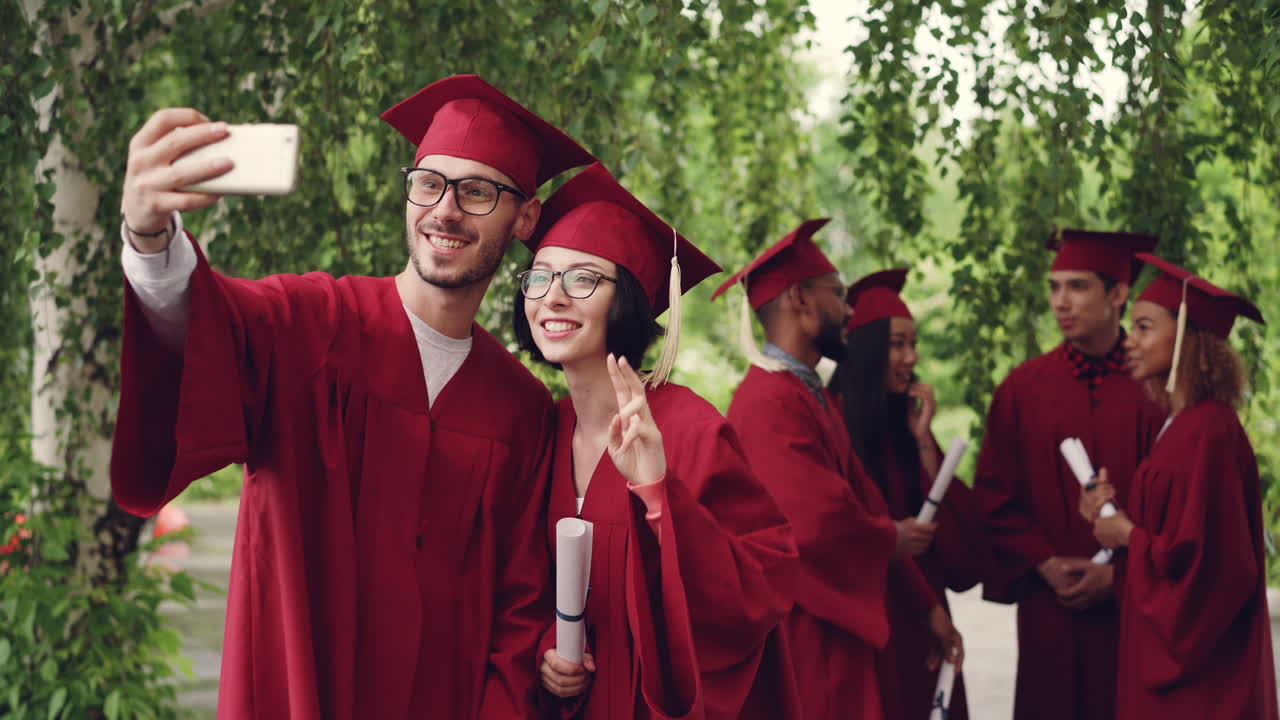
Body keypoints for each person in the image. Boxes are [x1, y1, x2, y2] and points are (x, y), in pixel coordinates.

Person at [110, 75, 595, 719]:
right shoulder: (310, 326)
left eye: (478, 192)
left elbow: (520, 606)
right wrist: (150, 239)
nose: (445, 210)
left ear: (525, 218)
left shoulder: (523, 410)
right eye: (429, 183)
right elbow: (207, 323)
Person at [515, 162, 799, 720]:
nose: (553, 297)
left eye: (582, 279)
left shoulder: (691, 428)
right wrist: (544, 651)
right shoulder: (543, 428)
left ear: (630, 302)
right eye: (541, 276)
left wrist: (657, 493)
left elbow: (760, 584)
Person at [716, 220, 962, 720]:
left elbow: (862, 504)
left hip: (830, 631)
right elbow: (817, 520)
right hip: (805, 637)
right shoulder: (766, 401)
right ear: (800, 301)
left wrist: (926, 604)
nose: (849, 309)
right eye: (838, 294)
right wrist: (890, 537)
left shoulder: (811, 396)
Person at [971, 229, 1166, 720]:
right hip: (1049, 610)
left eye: (1077, 287)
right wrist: (1043, 563)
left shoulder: (1159, 392)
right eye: (1055, 287)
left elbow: (1179, 510)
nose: (1061, 302)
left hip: (1134, 612)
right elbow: (994, 499)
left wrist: (1117, 574)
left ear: (1118, 294)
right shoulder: (1022, 390)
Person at [1079, 253, 1276, 720]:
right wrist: (1109, 519)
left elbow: (1213, 569)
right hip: (1175, 663)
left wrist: (1127, 535)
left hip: (1204, 683)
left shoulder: (1209, 433)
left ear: (1189, 340)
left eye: (1145, 327)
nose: (1130, 340)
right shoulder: (1184, 426)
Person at [830, 268, 988, 720]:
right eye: (897, 344)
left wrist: (924, 442)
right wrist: (888, 536)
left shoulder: (908, 425)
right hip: (871, 617)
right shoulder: (831, 420)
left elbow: (962, 540)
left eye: (913, 344)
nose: (910, 357)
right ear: (866, 349)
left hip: (925, 615)